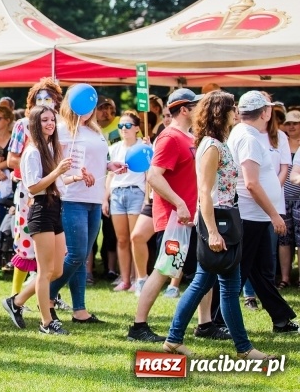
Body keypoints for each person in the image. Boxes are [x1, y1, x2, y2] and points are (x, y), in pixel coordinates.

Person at [163, 90, 275, 360]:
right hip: (218, 221)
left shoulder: (217, 143)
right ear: (220, 113)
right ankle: (242, 348)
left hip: (224, 218)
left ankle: (179, 339)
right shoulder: (212, 146)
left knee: (217, 283)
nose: (236, 113)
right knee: (210, 283)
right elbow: (205, 192)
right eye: (231, 108)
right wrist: (212, 231)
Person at [127, 88, 225, 342]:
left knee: (205, 269)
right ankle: (138, 327)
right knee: (163, 270)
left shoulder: (189, 137)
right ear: (184, 109)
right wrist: (180, 204)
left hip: (190, 218)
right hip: (175, 220)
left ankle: (205, 324)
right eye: (195, 105)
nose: (200, 110)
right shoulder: (170, 137)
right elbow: (154, 176)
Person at [227, 91, 299, 333]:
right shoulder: (249, 138)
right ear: (266, 112)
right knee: (241, 273)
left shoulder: (245, 133)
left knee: (258, 272)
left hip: (253, 215)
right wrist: (274, 214)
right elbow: (251, 183)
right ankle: (214, 322)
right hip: (251, 216)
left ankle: (281, 318)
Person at [50, 85, 122, 325]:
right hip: (71, 196)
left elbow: (98, 160)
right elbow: (53, 164)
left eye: (93, 105)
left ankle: (79, 310)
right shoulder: (61, 130)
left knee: (81, 257)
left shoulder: (94, 130)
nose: (90, 109)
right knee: (78, 254)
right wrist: (71, 175)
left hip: (94, 198)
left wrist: (110, 166)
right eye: (87, 105)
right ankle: (45, 293)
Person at [2, 105, 73, 334]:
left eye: (52, 119)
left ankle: (16, 301)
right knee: (44, 271)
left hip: (54, 208)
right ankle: (46, 323)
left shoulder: (49, 151)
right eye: (44, 120)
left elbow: (55, 184)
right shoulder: (32, 152)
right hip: (41, 210)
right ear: (35, 123)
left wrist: (74, 177)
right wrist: (57, 171)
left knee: (57, 269)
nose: (50, 124)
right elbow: (33, 186)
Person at [103, 111, 147, 292]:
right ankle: (125, 278)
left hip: (136, 192)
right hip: (117, 194)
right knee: (121, 240)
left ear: (137, 128)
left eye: (128, 125)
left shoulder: (143, 147)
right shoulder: (115, 148)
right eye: (121, 126)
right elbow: (110, 175)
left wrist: (146, 198)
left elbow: (148, 175)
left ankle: (139, 278)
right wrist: (105, 198)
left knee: (135, 238)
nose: (123, 129)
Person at [282, 110, 300, 291]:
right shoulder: (281, 143)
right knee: (284, 240)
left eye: (295, 123)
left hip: (299, 198)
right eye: (288, 123)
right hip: (283, 198)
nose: (291, 126)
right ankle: (285, 278)